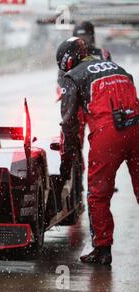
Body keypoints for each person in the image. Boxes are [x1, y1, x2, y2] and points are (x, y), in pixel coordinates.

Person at [56, 37, 139, 265]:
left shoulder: (73, 76)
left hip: (109, 134)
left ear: (67, 61)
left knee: (98, 195)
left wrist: (68, 159)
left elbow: (70, 124)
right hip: (137, 126)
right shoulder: (118, 68)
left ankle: (102, 250)